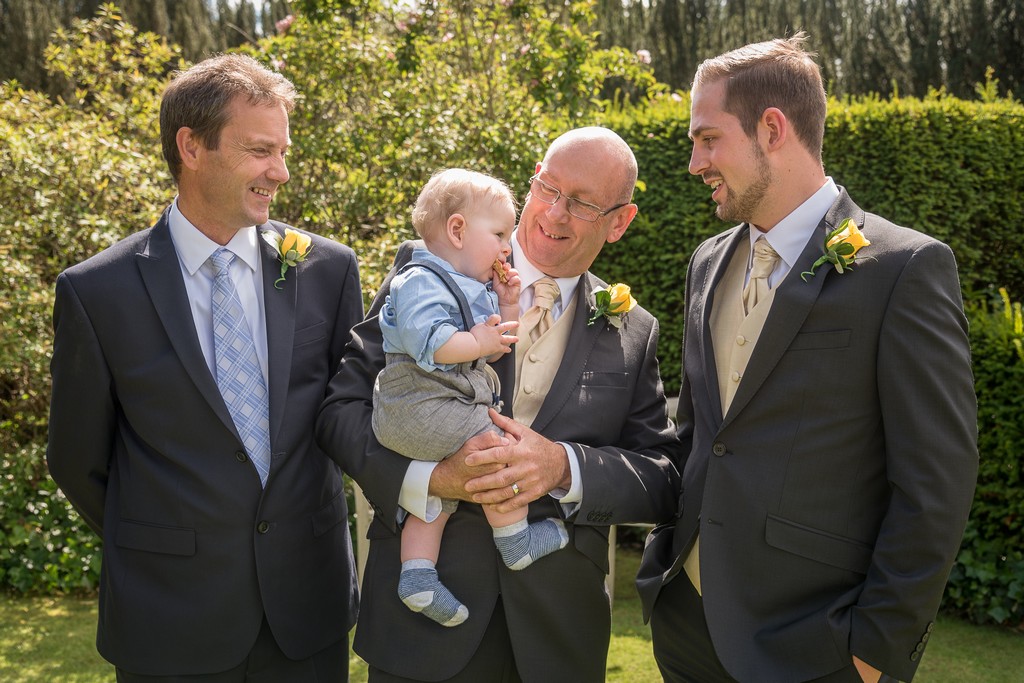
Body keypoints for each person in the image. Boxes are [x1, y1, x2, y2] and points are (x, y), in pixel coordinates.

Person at [636, 33, 978, 683]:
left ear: (772, 129)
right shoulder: (707, 263)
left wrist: (875, 650)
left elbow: (937, 479)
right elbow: (700, 436)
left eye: (707, 138)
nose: (694, 162)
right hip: (687, 628)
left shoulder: (904, 269)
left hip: (814, 646)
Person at [317, 126, 682, 682]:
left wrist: (563, 466)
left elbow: (661, 476)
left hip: (557, 636)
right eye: (548, 188)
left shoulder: (634, 329)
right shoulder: (431, 272)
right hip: (422, 636)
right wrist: (432, 478)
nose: (555, 213)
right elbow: (341, 411)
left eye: (582, 203)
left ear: (619, 222)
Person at [46, 54, 363, 681]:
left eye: (283, 151)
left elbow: (348, 416)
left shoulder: (327, 270)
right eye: (260, 151)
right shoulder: (97, 292)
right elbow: (78, 459)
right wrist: (169, 536)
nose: (281, 171)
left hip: (307, 609)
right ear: (191, 147)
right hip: (168, 615)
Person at [372, 168, 571, 628]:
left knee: (437, 495)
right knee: (497, 451)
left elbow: (497, 346)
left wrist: (506, 304)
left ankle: (417, 575)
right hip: (417, 404)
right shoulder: (419, 279)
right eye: (499, 234)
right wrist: (478, 340)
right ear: (457, 230)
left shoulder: (466, 283)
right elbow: (433, 344)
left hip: (433, 409)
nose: (507, 247)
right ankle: (515, 540)